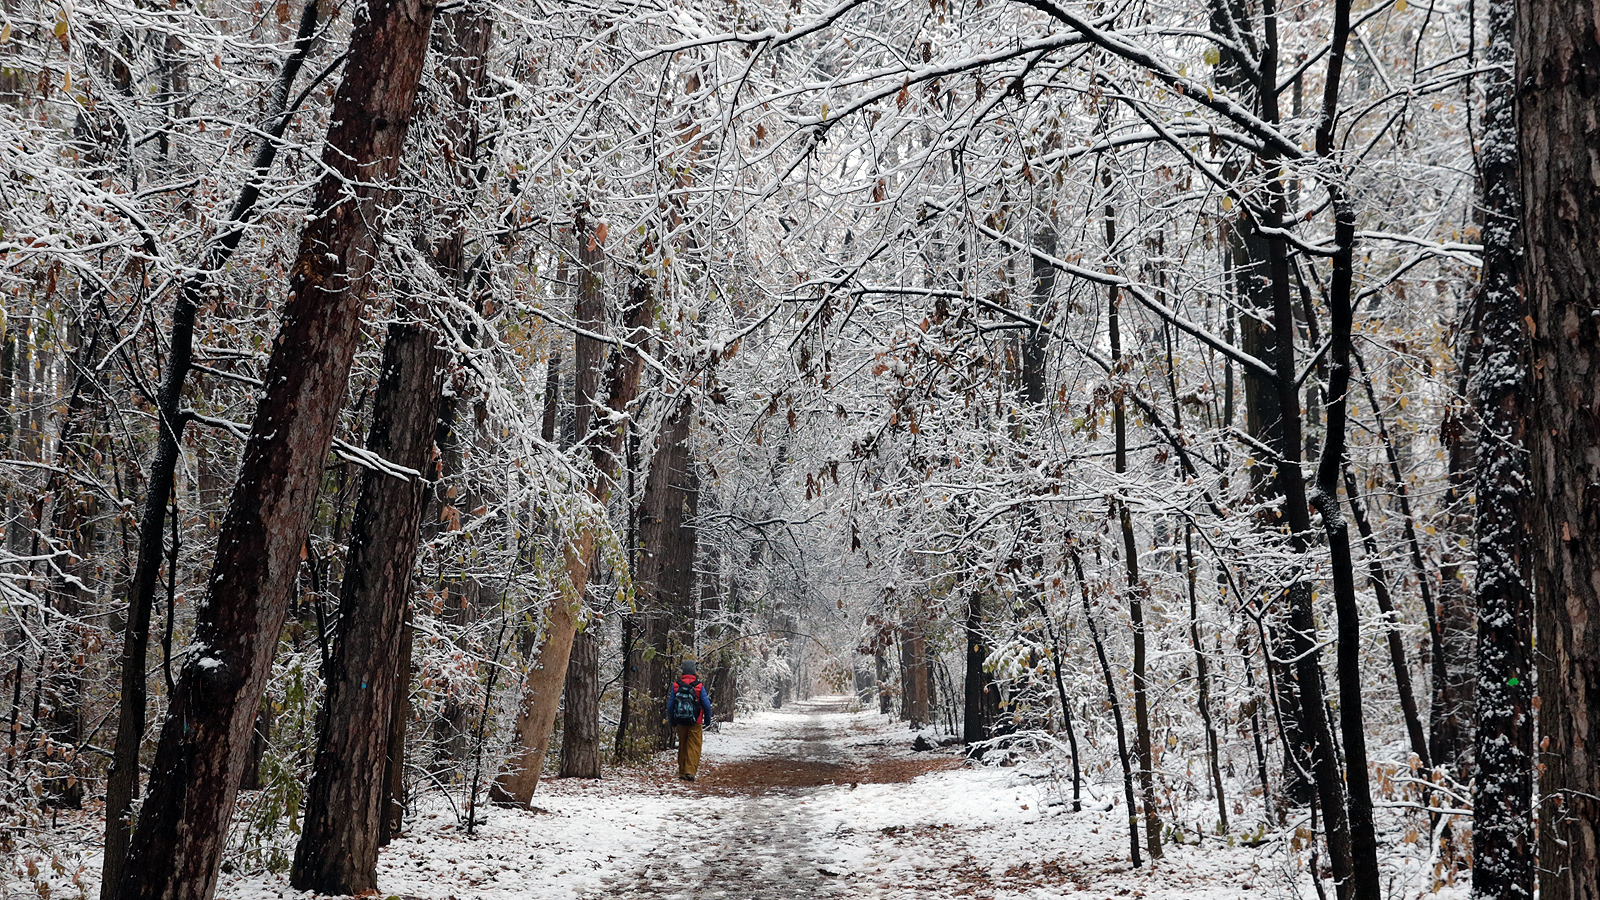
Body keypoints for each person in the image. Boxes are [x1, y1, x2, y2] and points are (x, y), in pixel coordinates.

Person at [669, 660, 713, 781]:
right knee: (694, 746)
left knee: (683, 745)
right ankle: (690, 771)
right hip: (696, 721)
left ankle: (682, 772)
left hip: (680, 721)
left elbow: (670, 705)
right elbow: (706, 705)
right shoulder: (699, 686)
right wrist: (707, 720)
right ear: (694, 671)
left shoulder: (676, 685)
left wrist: (672, 720)